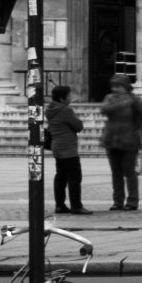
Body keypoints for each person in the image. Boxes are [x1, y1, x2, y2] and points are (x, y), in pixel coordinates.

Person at [101, 72, 142, 211]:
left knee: (129, 171)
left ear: (126, 87)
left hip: (129, 140)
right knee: (116, 172)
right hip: (112, 139)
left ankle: (132, 201)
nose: (115, 89)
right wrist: (122, 103)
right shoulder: (110, 98)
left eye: (119, 86)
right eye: (114, 86)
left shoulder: (135, 100)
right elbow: (104, 109)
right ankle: (118, 201)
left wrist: (140, 129)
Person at [47, 84, 84, 216]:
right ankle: (76, 206)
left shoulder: (51, 109)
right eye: (68, 95)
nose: (70, 97)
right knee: (75, 178)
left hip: (57, 146)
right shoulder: (65, 110)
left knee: (61, 177)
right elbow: (78, 126)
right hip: (68, 148)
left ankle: (60, 205)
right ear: (62, 98)